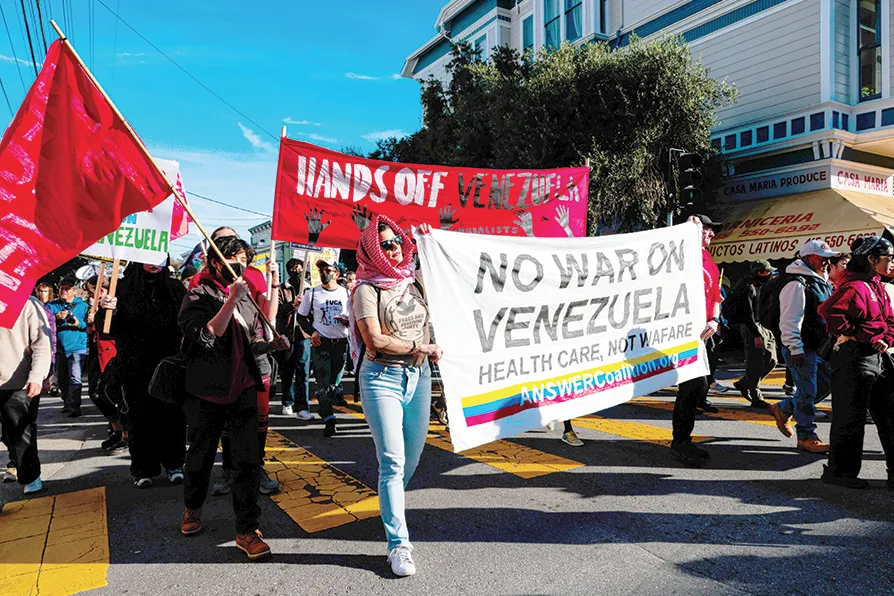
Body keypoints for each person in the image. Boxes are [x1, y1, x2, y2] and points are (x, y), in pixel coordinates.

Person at [178, 235, 289, 560]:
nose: (240, 266)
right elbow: (205, 335)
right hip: (206, 392)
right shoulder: (198, 293)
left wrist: (272, 345)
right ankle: (192, 507)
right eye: (234, 259)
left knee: (247, 462)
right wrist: (230, 300)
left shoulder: (245, 296)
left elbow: (253, 341)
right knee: (200, 457)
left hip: (242, 390)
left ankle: (247, 529)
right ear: (215, 262)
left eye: (244, 260)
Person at [350, 216, 443, 577]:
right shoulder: (365, 289)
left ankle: (391, 505)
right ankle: (398, 545)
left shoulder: (414, 281)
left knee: (412, 458)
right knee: (392, 461)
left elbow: (448, 274)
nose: (394, 248)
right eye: (385, 244)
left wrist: (431, 243)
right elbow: (374, 341)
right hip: (381, 378)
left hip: (418, 376)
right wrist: (422, 346)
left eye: (397, 242)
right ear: (373, 249)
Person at [201, 227, 281, 497]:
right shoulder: (201, 283)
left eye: (233, 241)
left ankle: (256, 470)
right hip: (221, 364)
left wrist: (274, 282)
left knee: (258, 422)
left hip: (255, 360)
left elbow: (266, 316)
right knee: (226, 424)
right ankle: (228, 470)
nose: (236, 258)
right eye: (222, 241)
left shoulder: (254, 276)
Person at [101, 260, 188, 488]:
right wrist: (106, 308)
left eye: (159, 258)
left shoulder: (176, 288)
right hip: (134, 366)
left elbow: (188, 322)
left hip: (169, 365)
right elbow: (106, 327)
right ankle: (142, 468)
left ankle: (174, 464)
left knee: (172, 417)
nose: (154, 263)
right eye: (148, 257)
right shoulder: (120, 288)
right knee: (140, 418)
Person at [818, 236, 894, 489]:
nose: (892, 262)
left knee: (888, 414)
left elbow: (889, 320)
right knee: (851, 417)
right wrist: (858, 335)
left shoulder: (876, 285)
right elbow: (829, 312)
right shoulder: (855, 286)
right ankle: (840, 473)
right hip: (853, 357)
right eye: (888, 258)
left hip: (877, 357)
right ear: (872, 260)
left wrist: (886, 338)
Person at [766, 240, 836, 453]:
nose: (827, 261)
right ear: (807, 258)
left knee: (823, 384)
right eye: (821, 257)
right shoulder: (796, 283)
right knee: (807, 392)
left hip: (817, 346)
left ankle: (783, 407)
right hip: (802, 347)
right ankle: (806, 435)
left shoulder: (818, 279)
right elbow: (790, 319)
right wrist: (795, 348)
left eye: (828, 257)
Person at [670, 215, 723, 468]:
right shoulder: (681, 255)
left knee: (699, 387)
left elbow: (716, 296)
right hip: (679, 332)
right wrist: (683, 230)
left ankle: (683, 439)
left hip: (701, 335)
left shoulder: (710, 263)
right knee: (693, 385)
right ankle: (680, 442)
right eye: (706, 230)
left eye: (713, 232)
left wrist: (714, 320)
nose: (711, 235)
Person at [0, 297, 51, 494]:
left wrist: (37, 376)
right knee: (7, 435)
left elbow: (42, 343)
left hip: (18, 383)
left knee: (20, 433)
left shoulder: (28, 303)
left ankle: (30, 475)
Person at [297, 258, 350, 437]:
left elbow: (356, 316)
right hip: (322, 344)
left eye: (327, 270)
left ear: (336, 273)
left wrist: (348, 321)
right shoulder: (312, 294)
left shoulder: (347, 293)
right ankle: (329, 418)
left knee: (333, 384)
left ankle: (325, 406)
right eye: (321, 271)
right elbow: (301, 317)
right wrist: (312, 332)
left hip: (341, 343)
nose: (324, 274)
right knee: (323, 383)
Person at [728, 260, 777, 408]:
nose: (770, 274)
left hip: (764, 325)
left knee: (772, 360)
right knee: (754, 362)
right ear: (760, 273)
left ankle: (745, 383)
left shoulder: (762, 285)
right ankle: (756, 396)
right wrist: (756, 335)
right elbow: (747, 315)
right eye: (768, 271)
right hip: (752, 326)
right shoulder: (747, 287)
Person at [47, 277, 90, 417]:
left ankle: (74, 406)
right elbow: (44, 323)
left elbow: (88, 326)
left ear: (75, 291)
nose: (64, 291)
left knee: (75, 378)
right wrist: (55, 318)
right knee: (62, 379)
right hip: (59, 349)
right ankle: (66, 402)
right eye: (62, 288)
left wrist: (78, 323)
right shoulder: (52, 306)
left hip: (77, 348)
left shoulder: (83, 306)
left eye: (68, 288)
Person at [276, 258, 313, 420]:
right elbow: (277, 310)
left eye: (300, 268)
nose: (297, 271)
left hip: (304, 334)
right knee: (287, 370)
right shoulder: (282, 289)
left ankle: (302, 406)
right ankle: (287, 401)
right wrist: (292, 305)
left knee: (303, 371)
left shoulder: (309, 289)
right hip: (287, 334)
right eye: (294, 269)